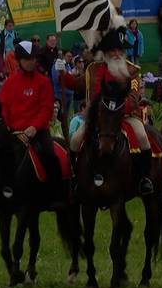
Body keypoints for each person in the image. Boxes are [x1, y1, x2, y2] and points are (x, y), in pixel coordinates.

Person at [59, 29, 155, 196]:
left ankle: (144, 178)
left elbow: (133, 97)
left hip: (125, 116)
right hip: (97, 119)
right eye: (112, 50)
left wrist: (115, 110)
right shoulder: (92, 70)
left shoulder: (131, 71)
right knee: (75, 140)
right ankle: (75, 180)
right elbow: (76, 85)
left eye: (120, 50)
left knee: (142, 137)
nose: (117, 53)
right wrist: (63, 74)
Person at [0, 40, 61, 216]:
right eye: (27, 59)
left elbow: (46, 109)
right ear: (19, 60)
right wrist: (11, 127)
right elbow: (3, 107)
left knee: (50, 155)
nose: (31, 62)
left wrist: (33, 128)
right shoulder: (9, 83)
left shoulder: (43, 82)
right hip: (14, 132)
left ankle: (56, 196)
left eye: (33, 59)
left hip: (37, 131)